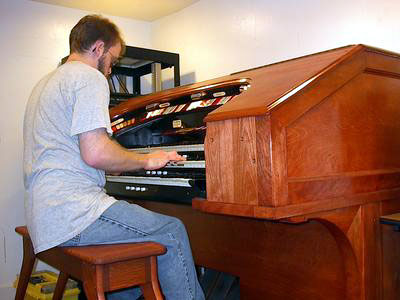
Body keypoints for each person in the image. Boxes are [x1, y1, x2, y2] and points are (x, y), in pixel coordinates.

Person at [23, 14, 205, 300]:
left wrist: (119, 162)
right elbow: (96, 152)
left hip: (45, 216)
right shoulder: (88, 77)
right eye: (113, 59)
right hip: (73, 215)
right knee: (172, 230)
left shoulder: (46, 83)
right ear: (97, 48)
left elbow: (77, 152)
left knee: (129, 264)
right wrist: (147, 160)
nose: (110, 70)